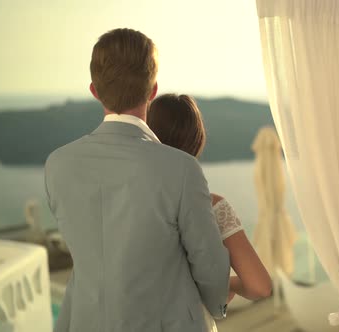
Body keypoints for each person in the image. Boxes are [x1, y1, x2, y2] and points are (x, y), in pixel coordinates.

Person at [45, 28, 230, 332]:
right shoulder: (181, 169)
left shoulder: (57, 165)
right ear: (153, 90)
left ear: (94, 90)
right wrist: (216, 306)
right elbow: (209, 264)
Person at [148, 94, 273, 331]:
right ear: (197, 140)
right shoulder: (213, 206)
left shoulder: (132, 202)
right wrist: (228, 285)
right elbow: (260, 286)